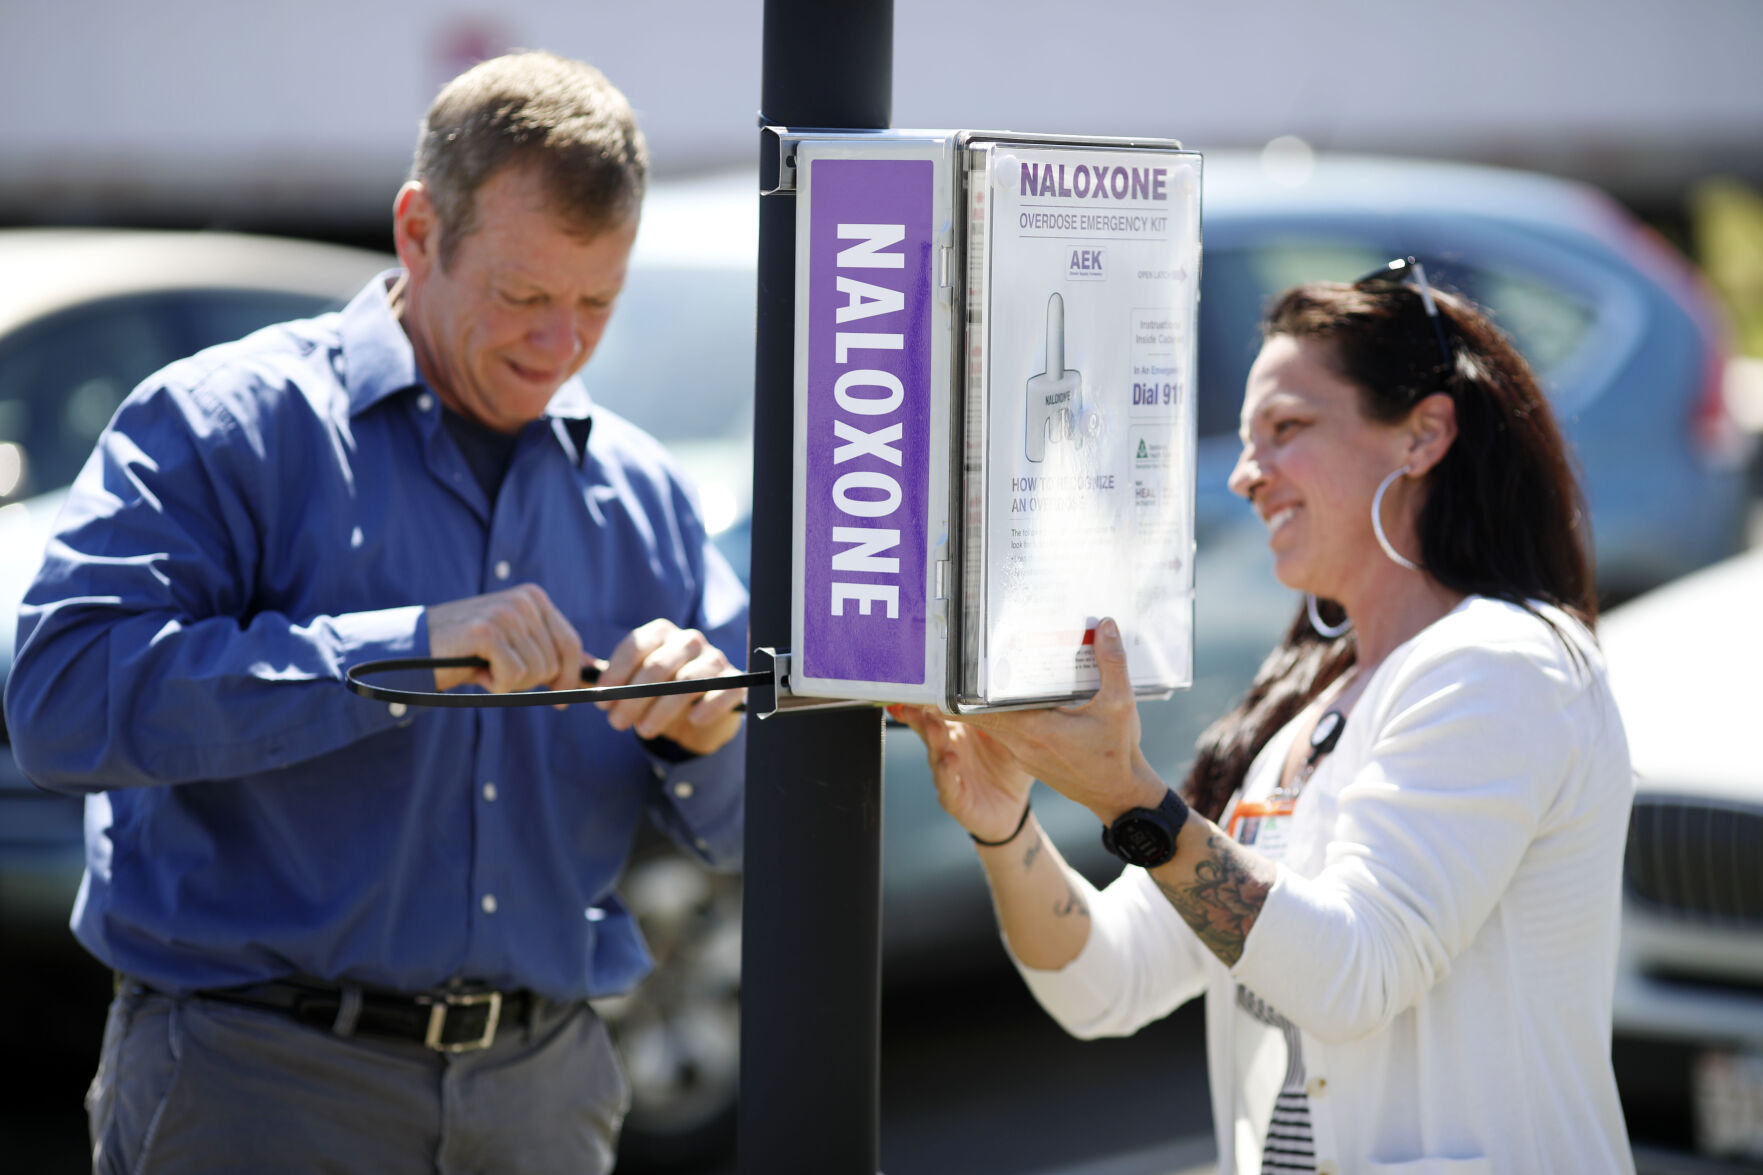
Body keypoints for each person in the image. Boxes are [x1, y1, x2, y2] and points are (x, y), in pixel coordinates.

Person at [3, 51, 747, 1175]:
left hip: (544, 1101)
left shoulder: (640, 496)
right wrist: (403, 651)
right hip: (257, 1093)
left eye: (597, 302)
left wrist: (710, 735)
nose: (563, 346)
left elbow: (758, 826)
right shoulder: (224, 425)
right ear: (415, 232)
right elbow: (60, 703)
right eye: (524, 297)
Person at [894, 260, 1635, 1174]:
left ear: (1422, 434)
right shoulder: (1307, 708)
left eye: (1286, 429)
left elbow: (1351, 976)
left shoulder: (1498, 666)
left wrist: (1131, 800)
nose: (1248, 474)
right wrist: (1005, 825)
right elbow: (1100, 984)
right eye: (1248, 441)